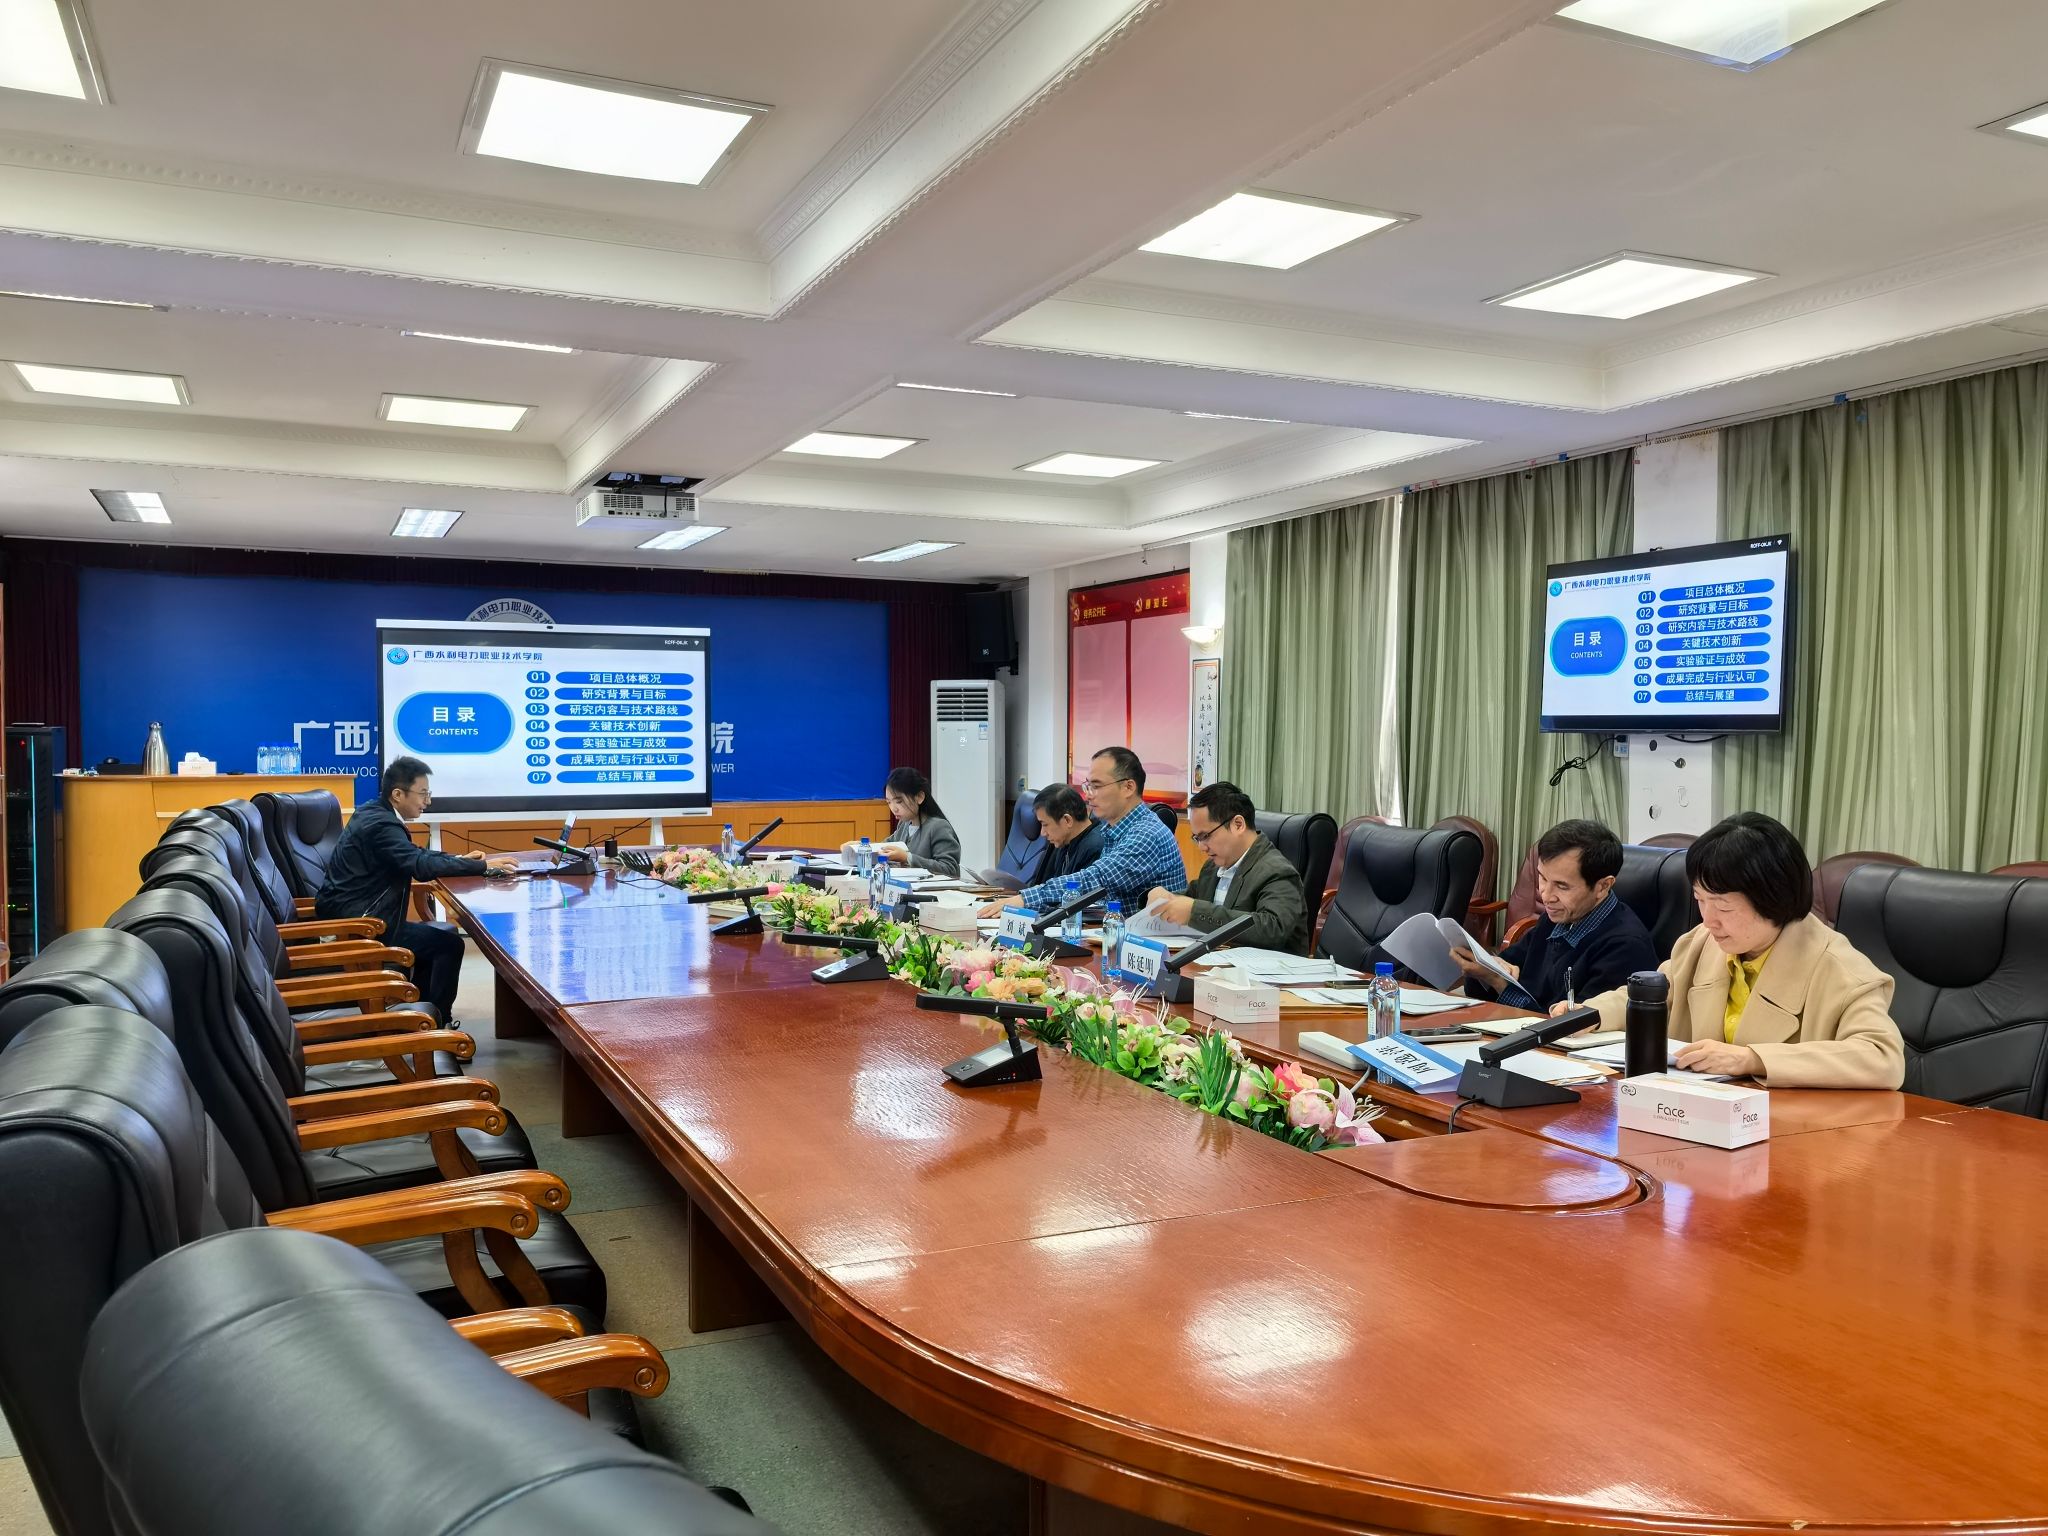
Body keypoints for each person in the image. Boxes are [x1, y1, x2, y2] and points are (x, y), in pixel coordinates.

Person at [1569, 811, 1905, 1089]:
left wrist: (1753, 1058)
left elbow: (1882, 1058)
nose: (1708, 919)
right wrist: (1588, 1015)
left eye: (1723, 907)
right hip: (1697, 1115)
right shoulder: (1701, 943)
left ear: (1773, 898)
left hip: (1797, 1130)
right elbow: (1651, 996)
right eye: (1700, 900)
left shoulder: (1840, 969)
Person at [315, 755, 517, 1022]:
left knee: (437, 940)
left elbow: (414, 855)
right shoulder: (380, 825)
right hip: (361, 926)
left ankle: (419, 1014)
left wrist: (459, 860)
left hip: (362, 916)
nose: (428, 801)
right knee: (449, 945)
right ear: (398, 794)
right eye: (423, 794)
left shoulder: (375, 813)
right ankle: (436, 1022)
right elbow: (419, 865)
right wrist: (482, 866)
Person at [1454, 819, 1658, 1012]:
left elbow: (1571, 1026)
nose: (1546, 896)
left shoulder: (1625, 947)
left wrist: (1499, 983)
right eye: (1542, 878)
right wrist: (1485, 970)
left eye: (1562, 886)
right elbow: (1500, 973)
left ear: (1603, 886)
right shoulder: (1556, 918)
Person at [983, 746, 1186, 915]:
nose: (1088, 795)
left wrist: (1025, 899)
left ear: (1128, 787)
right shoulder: (1112, 829)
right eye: (1088, 786)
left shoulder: (1146, 834)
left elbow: (1096, 880)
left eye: (1097, 786)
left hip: (1150, 945)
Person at [1143, 782, 1307, 954]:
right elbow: (1191, 899)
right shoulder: (1213, 867)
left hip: (1265, 969)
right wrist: (1164, 899)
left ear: (1238, 824)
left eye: (1205, 836)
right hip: (1213, 964)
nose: (1202, 847)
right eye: (1197, 838)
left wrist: (1194, 912)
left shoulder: (1277, 871)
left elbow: (1273, 929)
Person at [847, 766, 961, 878]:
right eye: (889, 802)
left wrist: (907, 858)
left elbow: (950, 870)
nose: (893, 808)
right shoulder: (904, 824)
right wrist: (860, 847)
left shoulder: (939, 827)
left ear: (919, 797)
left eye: (899, 801)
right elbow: (884, 847)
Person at [1032, 782, 1106, 886]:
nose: (1042, 833)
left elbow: (1077, 892)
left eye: (1045, 824)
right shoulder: (1063, 841)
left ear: (1067, 820)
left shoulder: (1095, 849)